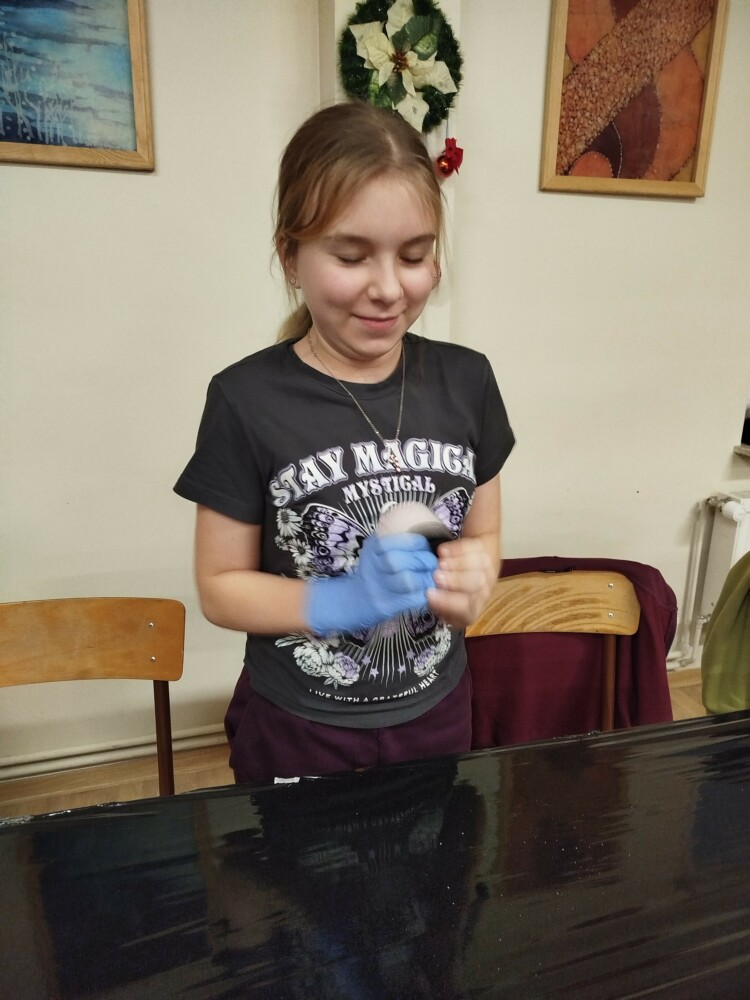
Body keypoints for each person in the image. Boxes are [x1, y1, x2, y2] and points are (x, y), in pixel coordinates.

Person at [174, 101, 515, 783]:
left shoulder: (468, 381)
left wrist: (475, 577)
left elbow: (484, 537)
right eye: (351, 256)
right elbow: (219, 588)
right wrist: (338, 602)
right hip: (300, 728)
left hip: (437, 712)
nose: (388, 288)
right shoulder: (246, 399)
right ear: (290, 257)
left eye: (414, 256)